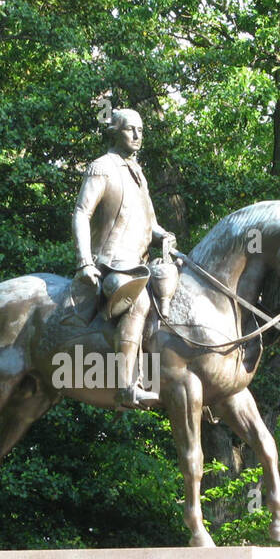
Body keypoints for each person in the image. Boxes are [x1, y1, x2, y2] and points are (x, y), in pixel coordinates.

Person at [71, 108, 177, 408]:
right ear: (115, 131)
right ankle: (126, 385)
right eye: (131, 128)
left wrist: (163, 236)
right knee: (139, 300)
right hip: (110, 265)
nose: (137, 135)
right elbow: (81, 212)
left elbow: (149, 223)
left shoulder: (138, 173)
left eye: (141, 129)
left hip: (139, 265)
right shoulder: (102, 167)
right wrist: (84, 262)